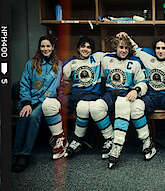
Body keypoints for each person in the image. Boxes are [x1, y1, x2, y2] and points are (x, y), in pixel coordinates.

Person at [116, 32, 165, 166]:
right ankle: (146, 142)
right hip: (151, 95)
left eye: (163, 48)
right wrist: (126, 37)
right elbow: (134, 48)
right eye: (158, 48)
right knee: (136, 107)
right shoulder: (147, 55)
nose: (160, 51)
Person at [89, 36, 156, 169]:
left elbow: (143, 82)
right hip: (109, 94)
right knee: (95, 108)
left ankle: (117, 145)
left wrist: (136, 90)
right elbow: (101, 78)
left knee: (122, 103)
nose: (124, 50)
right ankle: (110, 138)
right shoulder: (107, 59)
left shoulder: (135, 62)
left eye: (126, 48)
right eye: (121, 47)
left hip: (126, 95)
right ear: (115, 47)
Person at [42, 36, 110, 159]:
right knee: (48, 105)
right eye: (83, 46)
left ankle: (77, 140)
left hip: (91, 96)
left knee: (82, 106)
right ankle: (60, 140)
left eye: (88, 47)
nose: (85, 49)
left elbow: (118, 55)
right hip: (73, 96)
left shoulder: (98, 58)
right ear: (78, 48)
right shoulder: (71, 63)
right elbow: (60, 83)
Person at [12, 36, 63, 173]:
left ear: (53, 47)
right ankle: (16, 153)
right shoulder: (31, 63)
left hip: (44, 102)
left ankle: (25, 154)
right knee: (24, 115)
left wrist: (37, 103)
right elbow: (24, 84)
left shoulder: (58, 65)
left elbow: (53, 88)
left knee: (34, 116)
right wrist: (27, 102)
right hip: (28, 100)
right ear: (39, 48)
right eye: (43, 46)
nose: (45, 49)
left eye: (48, 46)